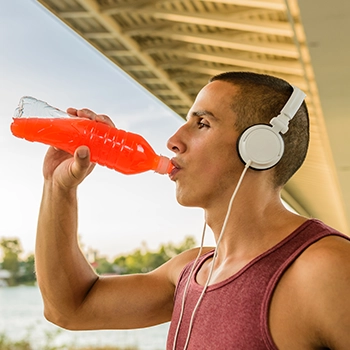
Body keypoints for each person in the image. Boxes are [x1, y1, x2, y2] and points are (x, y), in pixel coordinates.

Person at [35, 71, 350, 349]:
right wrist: (58, 188)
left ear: (259, 148)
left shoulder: (326, 269)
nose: (173, 141)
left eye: (202, 124)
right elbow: (70, 307)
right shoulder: (190, 271)